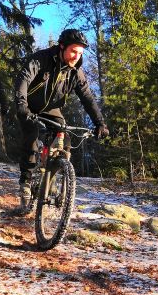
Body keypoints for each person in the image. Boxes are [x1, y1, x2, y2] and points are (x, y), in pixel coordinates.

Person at [14, 29, 109, 211]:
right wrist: (21, 104)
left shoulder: (76, 72)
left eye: (80, 53)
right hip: (30, 106)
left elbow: (88, 98)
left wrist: (100, 123)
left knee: (64, 137)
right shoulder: (41, 59)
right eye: (74, 51)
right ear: (62, 46)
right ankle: (25, 182)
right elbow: (23, 79)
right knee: (32, 137)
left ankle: (54, 174)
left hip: (51, 109)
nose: (76, 56)